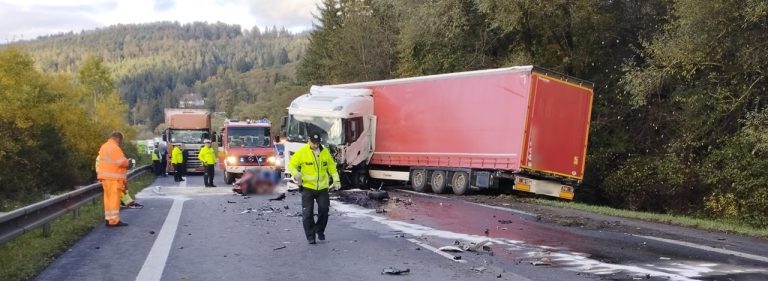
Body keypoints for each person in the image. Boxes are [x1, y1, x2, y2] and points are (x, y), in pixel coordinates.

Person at [288, 134, 340, 244]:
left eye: (317, 143)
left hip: (322, 188)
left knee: (324, 210)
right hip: (307, 187)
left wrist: (336, 180)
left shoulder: (325, 152)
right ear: (309, 141)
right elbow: (291, 165)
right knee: (308, 213)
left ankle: (319, 230)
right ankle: (310, 236)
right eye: (313, 142)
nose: (315, 145)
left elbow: (332, 167)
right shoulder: (302, 152)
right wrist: (296, 173)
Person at [96, 131, 131, 227]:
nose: (120, 143)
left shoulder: (104, 146)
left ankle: (108, 218)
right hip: (113, 178)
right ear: (118, 138)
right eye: (120, 141)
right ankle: (114, 220)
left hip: (105, 178)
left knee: (107, 199)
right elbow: (122, 162)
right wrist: (128, 161)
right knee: (114, 199)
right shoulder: (115, 148)